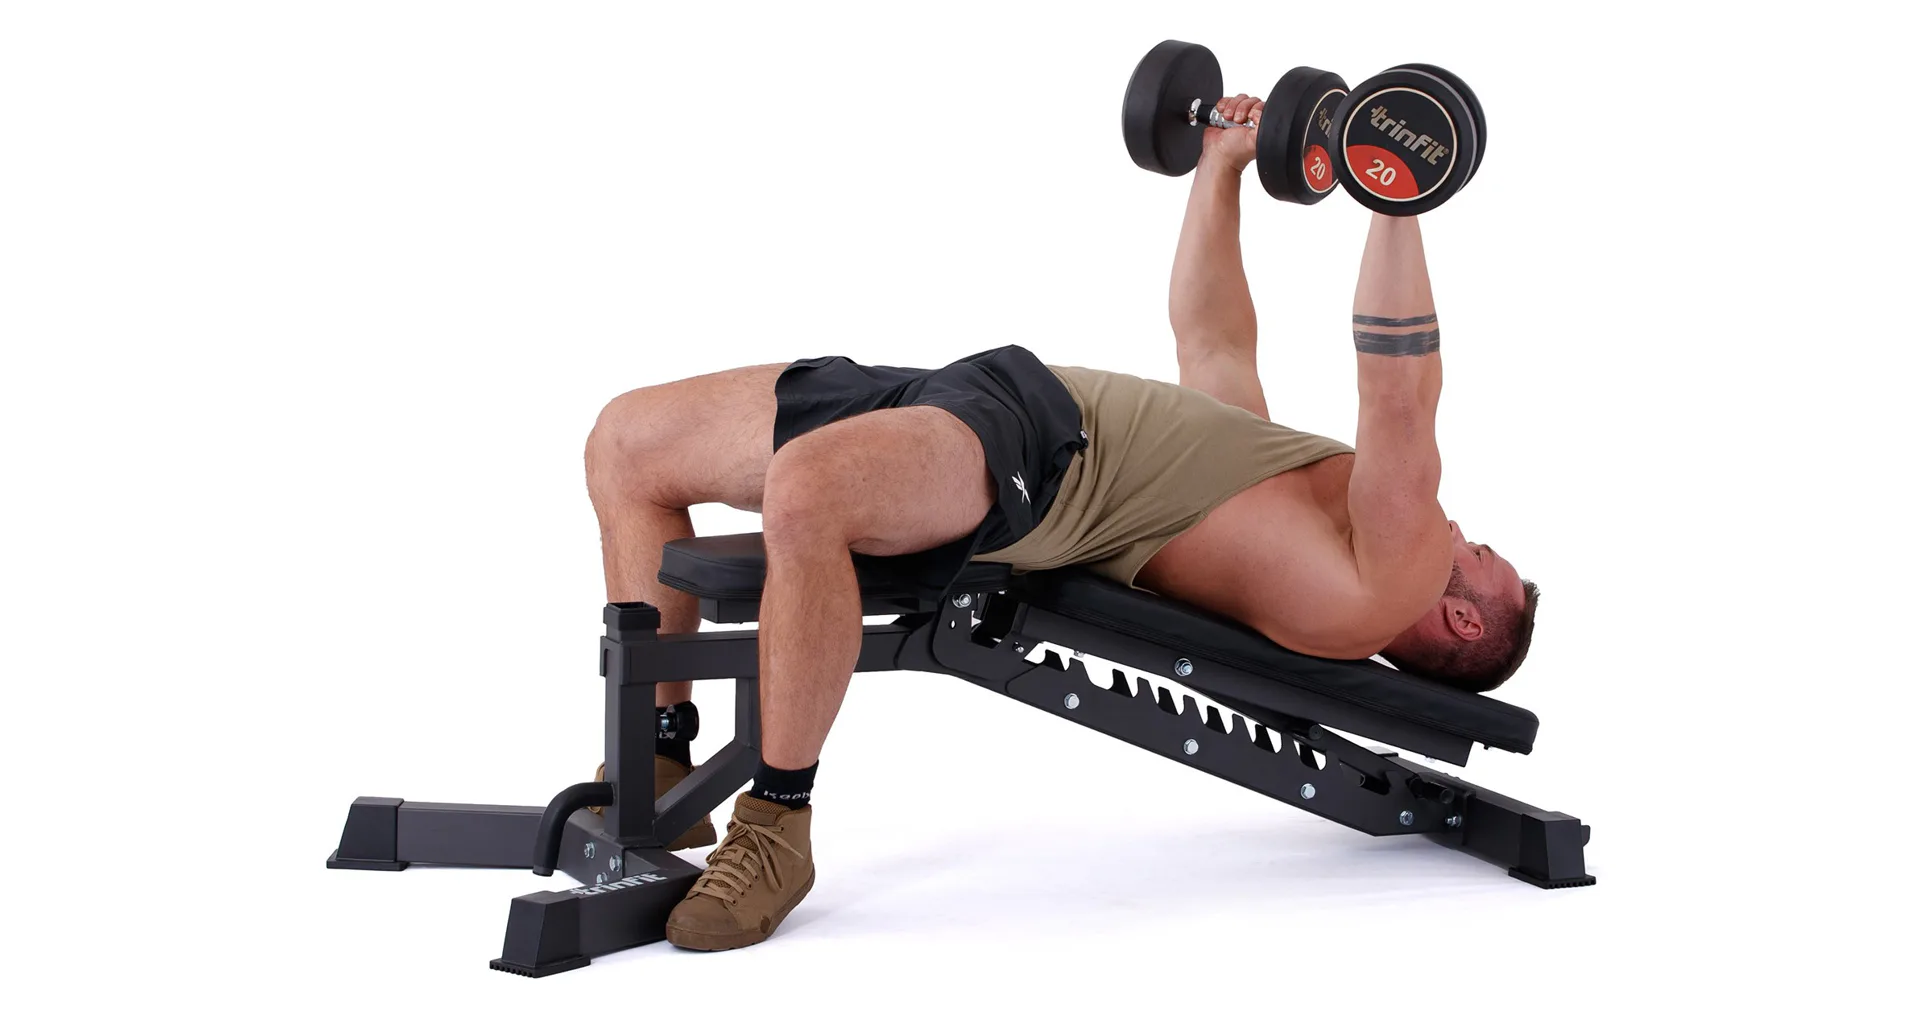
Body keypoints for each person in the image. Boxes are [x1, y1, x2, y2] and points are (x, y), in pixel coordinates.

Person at [581, 93, 1538, 952]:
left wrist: (1395, 196)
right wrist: (1218, 169)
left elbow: (1400, 394)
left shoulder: (1395, 578)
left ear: (1462, 619)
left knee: (810, 487)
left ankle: (776, 827)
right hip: (981, 399)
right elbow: (1213, 340)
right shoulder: (1291, 515)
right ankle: (661, 758)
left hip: (1035, 453)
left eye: (1486, 555)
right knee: (627, 444)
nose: (1467, 534)